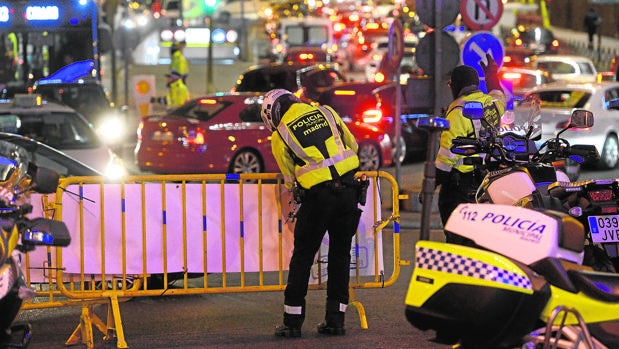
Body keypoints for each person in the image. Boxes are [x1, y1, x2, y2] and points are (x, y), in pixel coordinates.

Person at [260, 89, 366, 338]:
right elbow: (353, 145)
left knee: (303, 258)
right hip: (349, 191)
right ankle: (336, 321)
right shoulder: (327, 112)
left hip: (319, 198)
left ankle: (292, 323)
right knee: (340, 256)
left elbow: (289, 179)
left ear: (272, 114)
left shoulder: (281, 134)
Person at [434, 54, 506, 244]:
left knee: (457, 238)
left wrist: (431, 184)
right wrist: (491, 75)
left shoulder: (457, 110)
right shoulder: (492, 104)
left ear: (457, 85)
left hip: (460, 186)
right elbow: (499, 94)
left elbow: (446, 156)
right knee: (483, 237)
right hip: (487, 181)